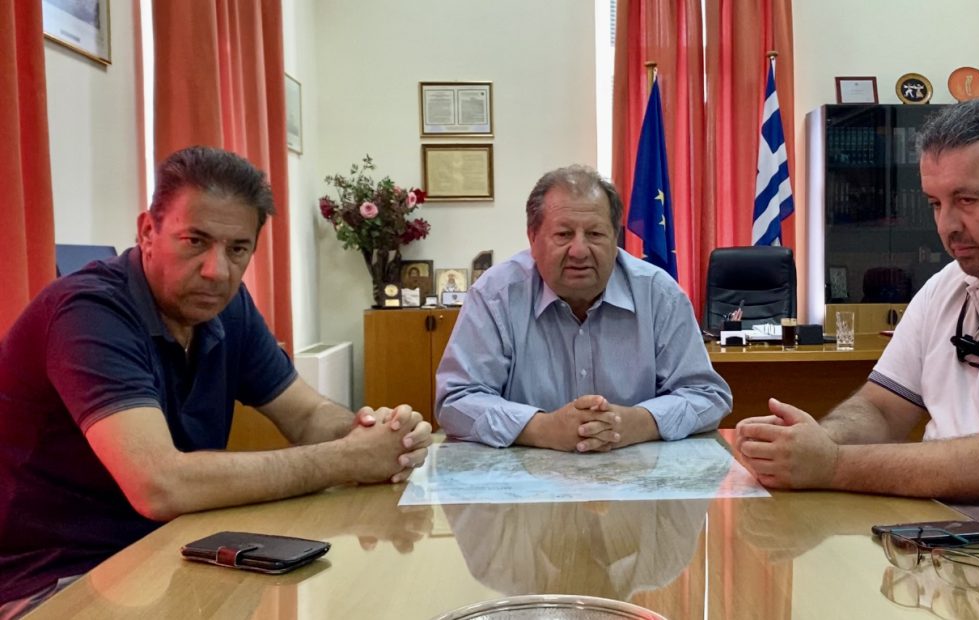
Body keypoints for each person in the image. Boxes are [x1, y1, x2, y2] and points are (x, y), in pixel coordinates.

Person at [734, 98, 979, 603]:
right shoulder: (951, 282)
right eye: (935, 203)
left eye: (967, 200)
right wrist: (814, 441)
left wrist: (832, 463)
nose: (947, 225)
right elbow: (882, 408)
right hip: (950, 531)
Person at [0, 146, 433, 615]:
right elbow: (159, 484)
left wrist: (378, 435)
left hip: (173, 550)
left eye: (237, 249)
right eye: (195, 241)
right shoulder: (89, 312)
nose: (217, 271)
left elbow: (307, 415)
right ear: (147, 232)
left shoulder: (228, 306)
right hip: (55, 579)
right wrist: (346, 459)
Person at [436, 165, 731, 451]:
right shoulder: (495, 296)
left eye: (595, 234)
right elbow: (455, 401)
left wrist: (635, 424)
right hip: (524, 478)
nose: (579, 251)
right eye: (564, 234)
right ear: (533, 239)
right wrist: (542, 428)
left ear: (615, 239)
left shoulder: (659, 294)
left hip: (636, 475)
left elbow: (707, 395)